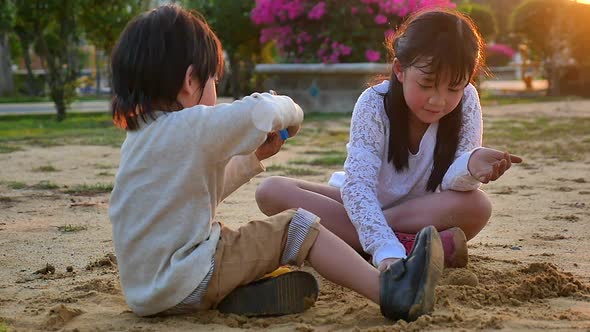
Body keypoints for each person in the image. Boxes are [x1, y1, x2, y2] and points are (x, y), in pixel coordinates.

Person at [108, 4, 444, 322]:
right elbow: (263, 111)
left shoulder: (138, 141)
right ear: (191, 81)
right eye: (213, 81)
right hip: (187, 277)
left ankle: (233, 293)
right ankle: (390, 290)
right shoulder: (192, 124)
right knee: (297, 226)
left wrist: (253, 157)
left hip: (145, 294)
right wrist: (291, 112)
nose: (214, 91)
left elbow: (195, 194)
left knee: (230, 239)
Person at [255, 8, 523, 272]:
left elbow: (451, 183)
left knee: (478, 205)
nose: (438, 100)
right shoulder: (373, 104)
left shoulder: (467, 101)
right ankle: (407, 246)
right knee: (271, 191)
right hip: (358, 204)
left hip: (420, 212)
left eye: (453, 87)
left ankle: (349, 244)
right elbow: (358, 187)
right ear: (400, 70)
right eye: (427, 83)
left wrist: (470, 165)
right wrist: (385, 248)